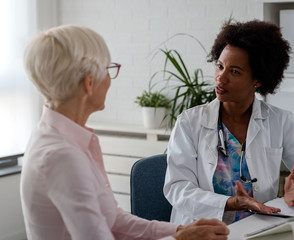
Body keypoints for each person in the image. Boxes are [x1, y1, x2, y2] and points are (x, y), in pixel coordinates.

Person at [20, 25, 229, 240]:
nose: (110, 79)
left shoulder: (60, 137)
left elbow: (113, 221)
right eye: (108, 69)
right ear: (89, 83)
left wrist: (179, 231)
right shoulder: (63, 156)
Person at [163, 20, 294, 225]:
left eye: (235, 71)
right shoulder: (190, 122)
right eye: (220, 66)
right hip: (204, 229)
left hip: (259, 228)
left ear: (258, 80)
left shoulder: (279, 121)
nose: (221, 78)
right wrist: (229, 203)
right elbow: (176, 187)